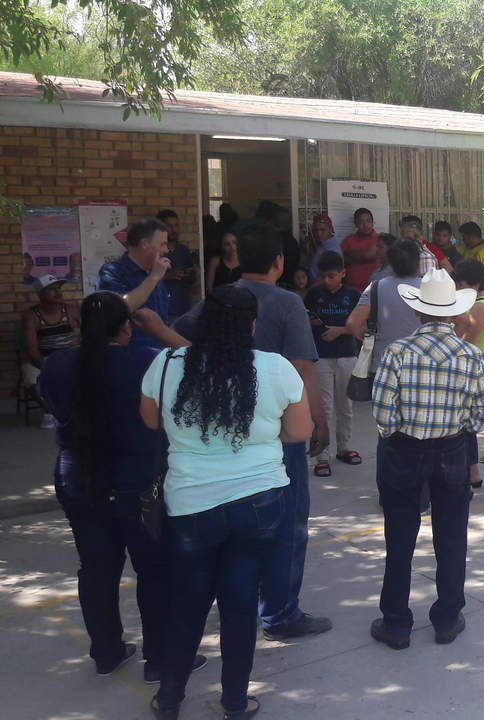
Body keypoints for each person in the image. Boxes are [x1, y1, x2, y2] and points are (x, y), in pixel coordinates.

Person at [142, 284, 313, 720]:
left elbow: (150, 420)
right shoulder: (275, 368)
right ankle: (235, 701)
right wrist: (259, 435)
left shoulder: (167, 364)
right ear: (252, 326)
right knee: (240, 603)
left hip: (191, 506)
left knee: (187, 604)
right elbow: (299, 432)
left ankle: (169, 698)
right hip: (259, 503)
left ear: (201, 322)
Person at [176, 223, 334, 643]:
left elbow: (178, 336)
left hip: (224, 427)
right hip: (278, 428)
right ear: (279, 262)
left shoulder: (219, 299)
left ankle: (232, 600)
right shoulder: (287, 303)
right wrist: (319, 419)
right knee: (288, 521)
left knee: (230, 518)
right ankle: (280, 614)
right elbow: (303, 367)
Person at [37, 292, 196, 686]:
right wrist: (160, 330)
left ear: (80, 325)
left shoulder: (58, 364)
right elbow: (202, 365)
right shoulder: (149, 360)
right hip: (138, 484)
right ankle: (159, 658)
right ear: (127, 326)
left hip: (79, 482)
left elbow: (52, 404)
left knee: (96, 568)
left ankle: (106, 652)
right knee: (153, 569)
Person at [369, 269, 484, 651]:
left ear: (418, 311)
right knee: (452, 537)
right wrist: (462, 428)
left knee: (400, 538)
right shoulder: (470, 355)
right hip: (452, 451)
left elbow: (382, 412)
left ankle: (396, 623)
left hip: (404, 450)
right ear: (454, 313)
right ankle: (446, 618)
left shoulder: (397, 352)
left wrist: (397, 431)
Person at [305, 251, 363, 478]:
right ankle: (322, 456)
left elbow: (362, 326)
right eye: (323, 276)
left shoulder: (353, 295)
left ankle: (344, 447)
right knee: (324, 408)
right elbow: (304, 321)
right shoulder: (313, 295)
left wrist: (340, 330)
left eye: (331, 276)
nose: (327, 281)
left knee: (345, 406)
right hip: (321, 357)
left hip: (347, 355)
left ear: (343, 273)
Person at [345, 238, 428, 377]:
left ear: (391, 262)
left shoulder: (375, 288)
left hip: (383, 365)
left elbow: (352, 324)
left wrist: (370, 339)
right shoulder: (428, 288)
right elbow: (459, 321)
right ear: (417, 261)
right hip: (420, 366)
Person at [452, 259, 484, 490]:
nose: (458, 288)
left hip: (471, 370)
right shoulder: (471, 304)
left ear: (476, 285)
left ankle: (472, 471)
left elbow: (465, 339)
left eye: (462, 284)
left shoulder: (479, 306)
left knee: (465, 425)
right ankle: (471, 471)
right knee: (463, 423)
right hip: (466, 368)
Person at [97, 218, 171, 348]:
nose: (166, 250)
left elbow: (163, 319)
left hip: (158, 354)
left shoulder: (155, 273)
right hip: (128, 354)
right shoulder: (112, 271)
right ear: (145, 244)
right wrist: (154, 277)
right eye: (162, 244)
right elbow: (119, 309)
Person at [22, 275, 80, 426]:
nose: (58, 293)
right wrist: (47, 366)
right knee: (30, 378)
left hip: (69, 357)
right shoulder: (31, 316)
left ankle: (75, 409)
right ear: (40, 294)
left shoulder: (72, 310)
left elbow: (90, 333)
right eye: (52, 290)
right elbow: (32, 349)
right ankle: (51, 412)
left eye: (59, 288)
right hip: (43, 359)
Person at [156, 210, 196, 321]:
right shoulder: (154, 252)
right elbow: (143, 280)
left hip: (183, 311)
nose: (174, 229)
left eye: (176, 225)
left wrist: (188, 275)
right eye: (169, 226)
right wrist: (167, 276)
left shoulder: (183, 250)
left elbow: (193, 279)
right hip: (161, 312)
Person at [342, 208, 381, 290]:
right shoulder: (348, 239)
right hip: (351, 288)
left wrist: (349, 253)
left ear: (372, 222)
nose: (365, 225)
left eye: (368, 221)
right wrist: (363, 256)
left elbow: (368, 256)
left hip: (373, 289)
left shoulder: (379, 239)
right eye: (361, 222)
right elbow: (341, 259)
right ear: (355, 224)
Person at [270, 204, 302, 285]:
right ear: (289, 223)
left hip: (276, 283)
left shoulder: (271, 241)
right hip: (291, 283)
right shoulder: (293, 242)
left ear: (273, 222)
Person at [307, 213, 341, 280]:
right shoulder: (324, 244)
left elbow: (329, 277)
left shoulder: (332, 249)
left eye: (322, 230)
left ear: (331, 229)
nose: (318, 234)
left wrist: (309, 287)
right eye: (316, 230)